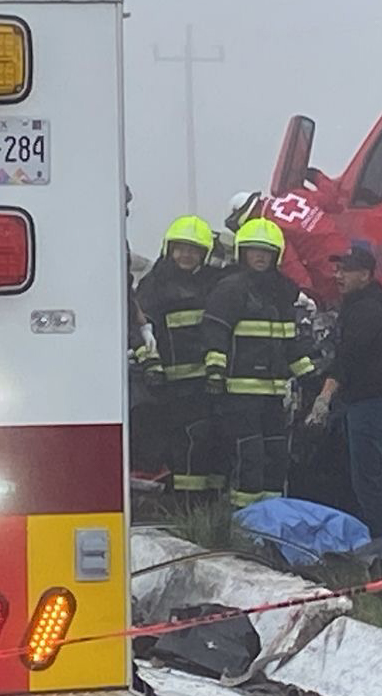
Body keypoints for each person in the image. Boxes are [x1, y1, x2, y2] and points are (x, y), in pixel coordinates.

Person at [203, 218, 316, 508]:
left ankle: (271, 518)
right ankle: (243, 522)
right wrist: (215, 370)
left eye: (266, 251)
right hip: (239, 393)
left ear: (276, 255)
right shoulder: (231, 288)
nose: (260, 257)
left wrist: (308, 376)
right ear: (242, 252)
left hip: (273, 394)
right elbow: (216, 330)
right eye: (254, 250)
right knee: (248, 455)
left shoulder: (281, 292)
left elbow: (289, 342)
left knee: (276, 454)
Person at [306, 246, 382, 537]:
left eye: (346, 270)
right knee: (372, 476)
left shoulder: (366, 310)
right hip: (367, 402)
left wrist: (323, 399)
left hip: (371, 404)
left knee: (367, 480)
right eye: (337, 269)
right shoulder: (357, 305)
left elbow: (347, 359)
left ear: (365, 275)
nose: (339, 275)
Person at [132, 215, 226, 495]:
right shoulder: (155, 284)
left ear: (204, 254)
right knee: (186, 442)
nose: (186, 255)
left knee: (213, 441)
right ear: (169, 249)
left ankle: (211, 504)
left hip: (209, 382)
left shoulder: (214, 285)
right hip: (172, 385)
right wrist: (151, 364)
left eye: (193, 249)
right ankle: (187, 506)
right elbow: (142, 327)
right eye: (180, 248)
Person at [227, 168, 350, 308]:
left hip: (327, 273)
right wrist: (317, 176)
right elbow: (331, 198)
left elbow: (292, 265)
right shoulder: (295, 195)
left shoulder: (271, 229)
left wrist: (309, 296)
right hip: (347, 251)